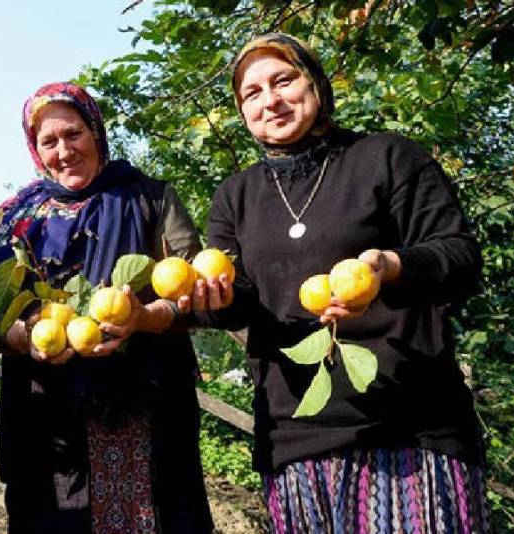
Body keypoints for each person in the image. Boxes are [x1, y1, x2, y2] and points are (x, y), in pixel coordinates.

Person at [206, 32, 489, 532]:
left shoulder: (388, 157)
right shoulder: (235, 196)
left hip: (409, 429)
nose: (270, 100)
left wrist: (388, 267)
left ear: (315, 83)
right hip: (295, 439)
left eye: (283, 80)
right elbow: (240, 303)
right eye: (252, 93)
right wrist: (214, 298)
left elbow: (461, 256)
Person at [0, 82, 219, 534]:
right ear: (34, 149)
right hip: (45, 422)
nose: (64, 151)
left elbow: (191, 292)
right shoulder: (12, 220)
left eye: (74, 134)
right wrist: (23, 337)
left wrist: (142, 317)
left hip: (141, 407)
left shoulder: (149, 199)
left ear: (96, 131)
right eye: (49, 141)